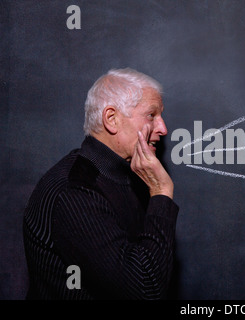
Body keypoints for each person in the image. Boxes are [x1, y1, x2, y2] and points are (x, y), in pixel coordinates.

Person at [23, 68, 179, 300]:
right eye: (151, 115)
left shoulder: (129, 177)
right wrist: (161, 193)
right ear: (111, 119)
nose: (163, 129)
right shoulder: (75, 191)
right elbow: (146, 290)